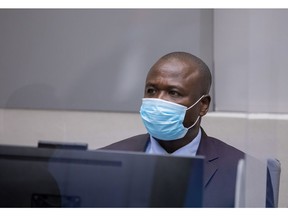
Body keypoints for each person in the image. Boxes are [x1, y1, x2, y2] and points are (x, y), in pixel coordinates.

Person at [101, 51, 274, 207]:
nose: (158, 101)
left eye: (174, 92)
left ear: (203, 106)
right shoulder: (105, 161)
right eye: (151, 90)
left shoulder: (246, 174)